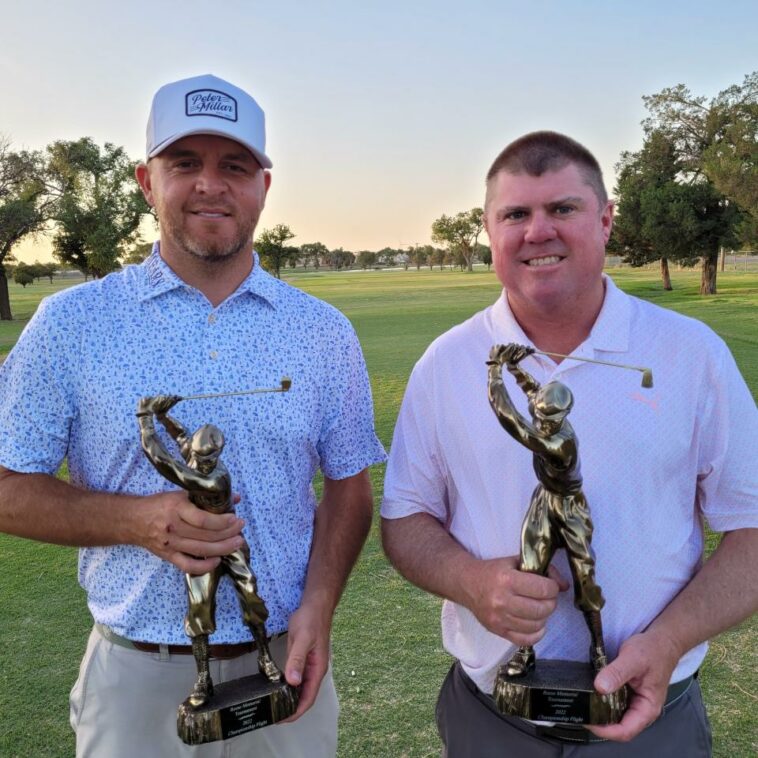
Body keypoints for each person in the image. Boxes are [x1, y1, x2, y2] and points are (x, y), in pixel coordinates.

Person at [0, 73, 385, 758]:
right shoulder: (72, 323)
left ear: (265, 185)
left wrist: (320, 606)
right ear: (148, 182)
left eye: (234, 166)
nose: (211, 185)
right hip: (136, 678)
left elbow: (349, 486)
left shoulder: (322, 333)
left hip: (285, 665)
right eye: (185, 164)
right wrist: (138, 521)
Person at [381, 131, 758, 756]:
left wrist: (666, 642)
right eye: (516, 214)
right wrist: (473, 582)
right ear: (488, 229)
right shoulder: (446, 363)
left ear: (605, 220)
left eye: (562, 209)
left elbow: (752, 529)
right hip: (492, 722)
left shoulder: (690, 355)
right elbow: (404, 519)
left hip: (652, 717)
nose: (538, 231)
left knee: (584, 585)